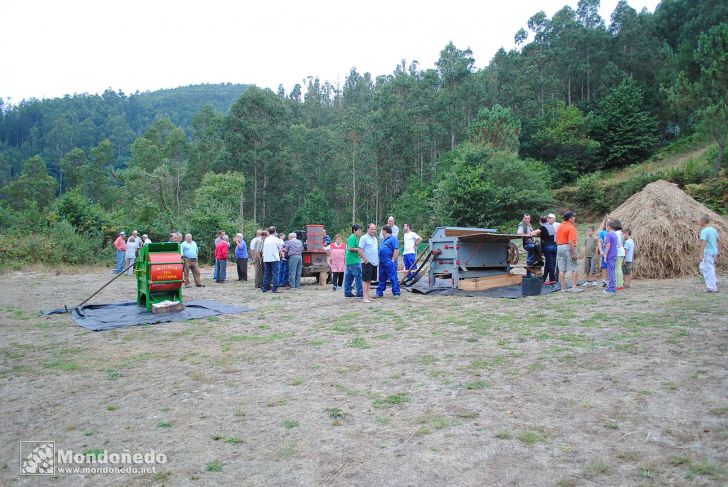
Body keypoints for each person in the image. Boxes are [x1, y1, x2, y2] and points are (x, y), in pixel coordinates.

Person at [556, 211, 582, 292]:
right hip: (567, 247)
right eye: (573, 217)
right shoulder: (571, 228)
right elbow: (571, 241)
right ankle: (574, 287)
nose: (575, 218)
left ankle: (563, 288)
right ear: (570, 218)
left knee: (561, 269)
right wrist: (573, 253)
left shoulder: (560, 226)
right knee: (574, 267)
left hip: (559, 247)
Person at [374, 225, 401, 299]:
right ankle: (379, 293)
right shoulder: (383, 240)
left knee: (392, 277)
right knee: (381, 277)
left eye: (382, 230)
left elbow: (396, 250)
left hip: (389, 261)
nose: (381, 232)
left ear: (385, 231)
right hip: (382, 262)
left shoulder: (393, 239)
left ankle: (396, 293)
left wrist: (392, 260)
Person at [532, 216, 557, 285]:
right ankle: (544, 278)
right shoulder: (551, 226)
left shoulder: (542, 227)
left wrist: (533, 232)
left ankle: (552, 279)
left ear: (540, 221)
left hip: (547, 247)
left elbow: (534, 233)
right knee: (549, 263)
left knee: (550, 264)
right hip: (554, 246)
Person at [699, 214, 720, 293]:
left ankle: (712, 288)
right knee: (703, 267)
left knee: (709, 269)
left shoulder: (704, 231)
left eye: (699, 220)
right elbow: (719, 240)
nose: (698, 221)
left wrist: (701, 253)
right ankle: (714, 280)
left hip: (708, 253)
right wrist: (719, 252)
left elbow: (703, 242)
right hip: (714, 252)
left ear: (703, 221)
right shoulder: (713, 230)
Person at [359, 223, 379, 303]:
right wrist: (366, 259)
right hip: (367, 262)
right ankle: (364, 297)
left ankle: (367, 296)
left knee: (369, 280)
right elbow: (360, 250)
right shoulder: (364, 238)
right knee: (365, 279)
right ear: (368, 229)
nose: (373, 230)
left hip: (374, 262)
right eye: (371, 229)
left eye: (374, 229)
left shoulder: (375, 239)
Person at [343, 225, 364, 298]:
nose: (360, 232)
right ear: (354, 231)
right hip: (353, 260)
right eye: (358, 230)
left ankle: (347, 292)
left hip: (350, 260)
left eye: (360, 230)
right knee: (358, 276)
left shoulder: (355, 238)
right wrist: (359, 249)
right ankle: (360, 293)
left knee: (349, 277)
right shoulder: (352, 238)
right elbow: (350, 248)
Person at [262, 227, 283, 293]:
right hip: (274, 258)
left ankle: (265, 288)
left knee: (266, 274)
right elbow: (281, 246)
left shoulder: (266, 239)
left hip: (266, 258)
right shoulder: (276, 239)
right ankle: (274, 289)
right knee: (275, 274)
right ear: (275, 232)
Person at [603, 220, 618, 295]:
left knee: (610, 272)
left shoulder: (609, 234)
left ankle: (612, 288)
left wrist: (605, 255)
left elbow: (608, 245)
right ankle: (611, 287)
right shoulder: (615, 234)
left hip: (610, 255)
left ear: (609, 227)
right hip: (614, 254)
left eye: (606, 226)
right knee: (612, 271)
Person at [597, 218, 609, 287]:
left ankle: (612, 280)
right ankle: (604, 281)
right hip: (604, 252)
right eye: (607, 222)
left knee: (611, 267)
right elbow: (599, 242)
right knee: (604, 267)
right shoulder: (602, 232)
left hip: (611, 252)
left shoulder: (613, 232)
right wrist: (601, 250)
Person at [614, 220, 625, 291]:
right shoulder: (621, 233)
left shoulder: (615, 233)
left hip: (617, 251)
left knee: (617, 268)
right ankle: (621, 284)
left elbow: (616, 243)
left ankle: (618, 285)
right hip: (622, 251)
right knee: (619, 268)